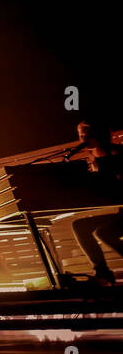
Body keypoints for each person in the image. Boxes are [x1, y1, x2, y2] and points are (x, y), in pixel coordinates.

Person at [64, 122, 122, 285]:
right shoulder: (99, 156)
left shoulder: (115, 154)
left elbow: (110, 186)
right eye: (81, 136)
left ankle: (103, 273)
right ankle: (102, 273)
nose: (83, 139)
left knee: (103, 232)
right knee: (91, 229)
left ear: (98, 135)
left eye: (86, 135)